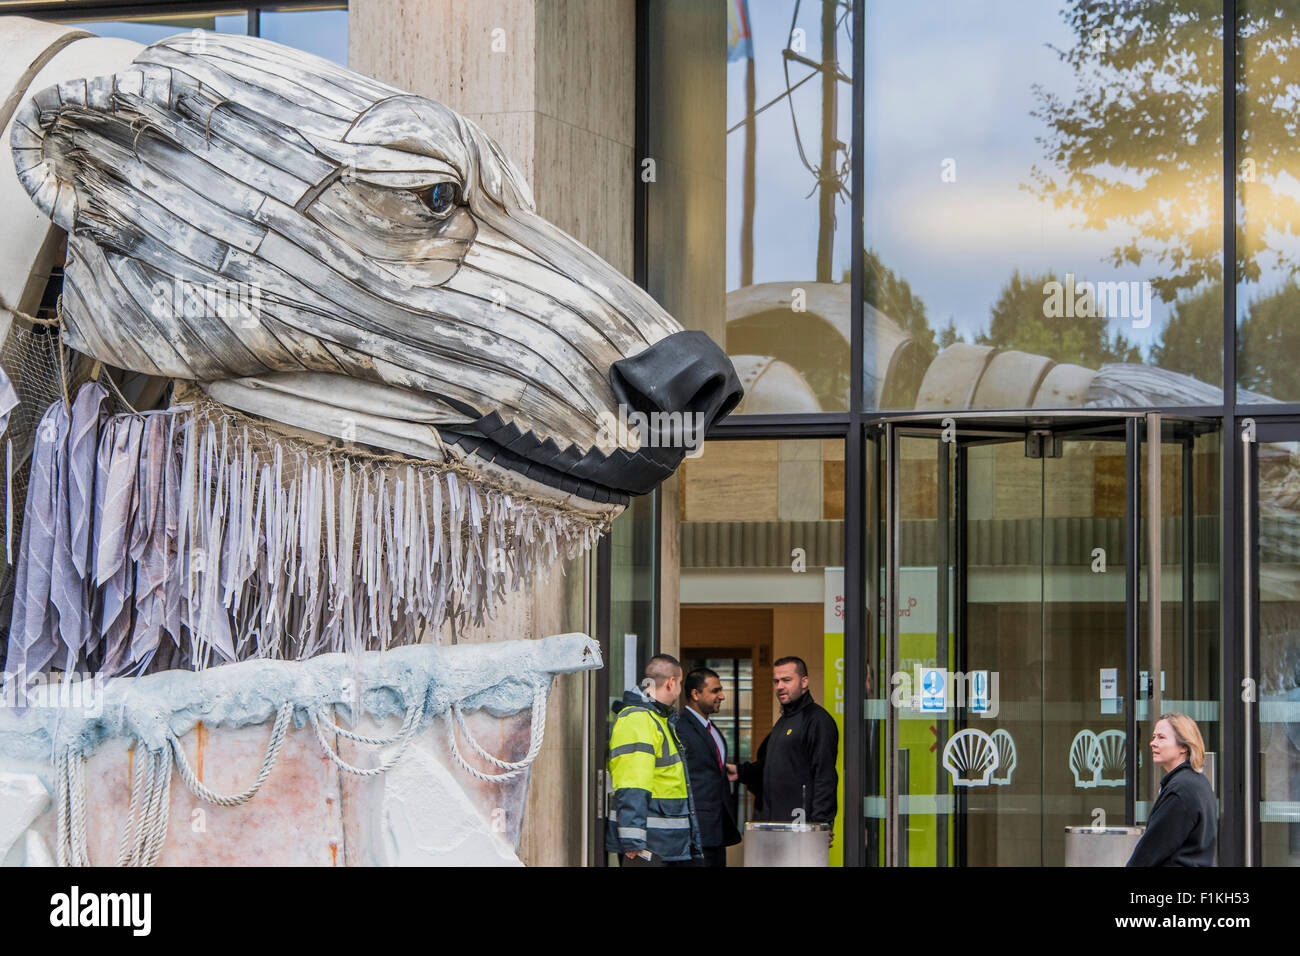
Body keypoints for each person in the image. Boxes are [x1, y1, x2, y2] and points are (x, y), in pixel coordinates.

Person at [605, 654, 702, 866]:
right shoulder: (639, 719)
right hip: (652, 846)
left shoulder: (656, 718)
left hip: (664, 844)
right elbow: (633, 783)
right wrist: (633, 841)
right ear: (671, 682)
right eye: (680, 683)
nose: (679, 690)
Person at [738, 656, 839, 830]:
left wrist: (821, 824)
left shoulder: (817, 720)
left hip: (802, 827)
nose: (779, 687)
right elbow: (775, 766)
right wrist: (740, 771)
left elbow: (824, 775)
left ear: (804, 681)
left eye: (786, 680)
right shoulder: (784, 721)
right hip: (777, 826)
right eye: (776, 681)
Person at [1127, 712, 1217, 867]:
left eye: (1161, 737)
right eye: (1154, 736)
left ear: (1183, 746)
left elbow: (1150, 851)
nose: (1153, 743)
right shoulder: (1198, 783)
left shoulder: (1180, 790)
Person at [676, 667, 743, 867]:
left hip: (716, 832)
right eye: (715, 691)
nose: (721, 696)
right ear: (695, 694)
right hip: (695, 834)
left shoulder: (712, 729)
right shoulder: (680, 728)